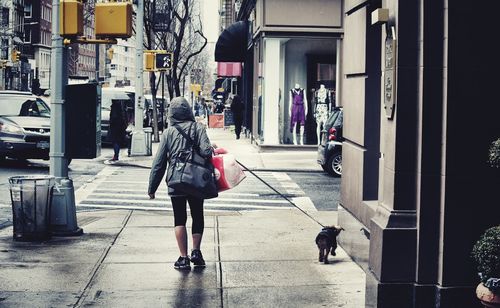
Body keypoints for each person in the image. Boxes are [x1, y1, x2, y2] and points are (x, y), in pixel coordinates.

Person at [148, 97, 215, 270]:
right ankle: (196, 252)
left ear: (172, 113)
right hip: (195, 179)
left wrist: (152, 188)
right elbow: (207, 151)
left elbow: (159, 162)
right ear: (188, 111)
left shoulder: (168, 133)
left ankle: (183, 258)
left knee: (179, 218)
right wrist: (210, 147)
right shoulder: (198, 128)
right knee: (197, 214)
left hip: (176, 180)